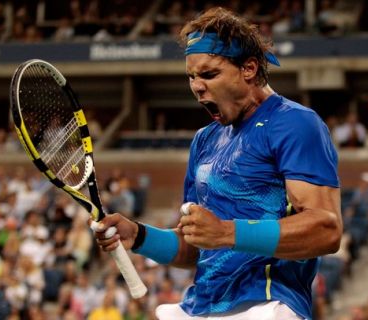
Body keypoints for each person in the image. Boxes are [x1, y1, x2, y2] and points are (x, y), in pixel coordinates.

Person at [93, 7, 342, 320]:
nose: (197, 86)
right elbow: (196, 247)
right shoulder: (204, 140)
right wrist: (140, 236)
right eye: (191, 76)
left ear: (248, 69)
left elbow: (326, 230)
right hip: (200, 306)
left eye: (209, 74)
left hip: (264, 305)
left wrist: (226, 232)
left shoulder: (295, 124)